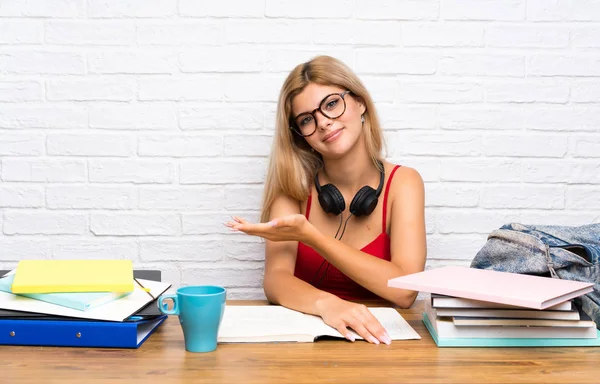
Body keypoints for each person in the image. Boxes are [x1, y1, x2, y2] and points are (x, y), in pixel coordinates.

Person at [225, 56, 426, 345]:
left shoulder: (405, 183)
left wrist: (311, 236)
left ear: (360, 102)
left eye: (331, 104)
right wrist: (327, 304)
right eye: (307, 119)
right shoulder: (292, 188)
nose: (323, 122)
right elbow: (276, 280)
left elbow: (405, 292)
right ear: (300, 136)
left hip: (383, 345)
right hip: (307, 348)